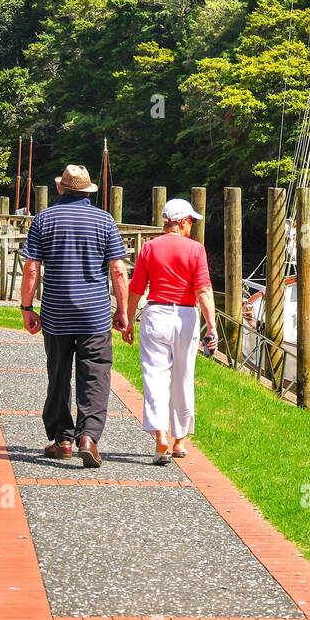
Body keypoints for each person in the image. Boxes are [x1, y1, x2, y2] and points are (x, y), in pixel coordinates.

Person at [19, 163, 129, 468]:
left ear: (60, 188)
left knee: (58, 375)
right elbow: (118, 270)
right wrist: (122, 310)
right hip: (94, 315)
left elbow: (31, 268)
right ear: (88, 191)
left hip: (56, 314)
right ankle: (88, 438)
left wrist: (27, 308)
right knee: (95, 374)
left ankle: (63, 439)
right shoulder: (105, 221)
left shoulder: (44, 219)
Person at [123, 197, 218, 464]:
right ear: (184, 222)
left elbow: (136, 289)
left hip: (156, 314)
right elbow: (203, 291)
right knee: (183, 376)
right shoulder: (195, 249)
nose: (192, 227)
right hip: (186, 316)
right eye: (191, 222)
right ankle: (180, 441)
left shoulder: (149, 248)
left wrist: (128, 320)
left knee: (155, 377)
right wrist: (211, 327)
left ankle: (160, 437)